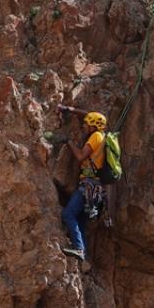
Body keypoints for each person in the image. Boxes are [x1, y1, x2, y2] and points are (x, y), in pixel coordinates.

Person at [59, 109, 108, 261]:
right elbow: (89, 114)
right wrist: (69, 110)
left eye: (87, 125)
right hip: (95, 189)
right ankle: (84, 260)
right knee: (80, 222)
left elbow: (81, 156)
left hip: (87, 186)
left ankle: (79, 250)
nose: (85, 127)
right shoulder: (103, 136)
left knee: (68, 214)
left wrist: (68, 142)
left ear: (93, 126)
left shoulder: (95, 136)